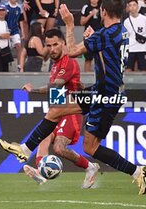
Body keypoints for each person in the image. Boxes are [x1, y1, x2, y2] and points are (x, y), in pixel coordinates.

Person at [0, 0, 146, 195]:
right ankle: (138, 171)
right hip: (106, 91)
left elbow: (70, 51)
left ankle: (25, 149)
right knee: (81, 137)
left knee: (73, 127)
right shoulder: (120, 31)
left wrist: (70, 24)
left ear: (103, 11)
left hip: (105, 94)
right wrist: (92, 40)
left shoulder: (104, 35)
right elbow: (106, 54)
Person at [21, 28, 100, 188]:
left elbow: (55, 86)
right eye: (48, 45)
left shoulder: (69, 62)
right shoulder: (55, 65)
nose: (52, 49)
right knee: (43, 138)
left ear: (63, 43)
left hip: (71, 112)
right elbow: (57, 92)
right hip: (59, 110)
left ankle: (90, 167)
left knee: (58, 147)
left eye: (55, 44)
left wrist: (33, 90)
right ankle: (40, 171)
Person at [124, 0, 146, 72]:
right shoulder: (126, 21)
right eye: (130, 5)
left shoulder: (144, 19)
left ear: (137, 6)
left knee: (143, 69)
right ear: (128, 8)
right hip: (130, 49)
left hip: (142, 48)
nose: (132, 7)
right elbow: (125, 36)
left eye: (134, 5)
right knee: (128, 69)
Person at [80, 0, 101, 72]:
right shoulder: (86, 7)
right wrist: (90, 14)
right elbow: (82, 22)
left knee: (99, 57)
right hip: (88, 35)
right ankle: (86, 75)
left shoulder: (101, 7)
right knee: (88, 58)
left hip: (99, 34)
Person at [5, 0, 25, 72]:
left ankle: (19, 66)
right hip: (6, 31)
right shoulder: (6, 7)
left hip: (15, 30)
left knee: (19, 46)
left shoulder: (19, 8)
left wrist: (22, 32)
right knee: (6, 49)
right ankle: (6, 65)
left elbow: (21, 20)